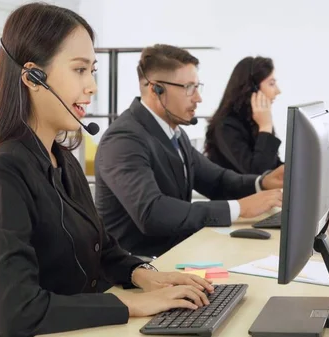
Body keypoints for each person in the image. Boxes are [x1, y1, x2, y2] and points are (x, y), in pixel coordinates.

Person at [0, 4, 216, 337]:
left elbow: (102, 247)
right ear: (33, 78)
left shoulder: (62, 160)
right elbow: (17, 311)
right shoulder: (4, 171)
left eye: (92, 70)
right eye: (80, 70)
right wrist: (133, 306)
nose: (91, 86)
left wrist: (145, 275)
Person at [94, 44, 284, 259]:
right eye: (189, 88)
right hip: (138, 267)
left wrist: (262, 182)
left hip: (174, 255)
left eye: (197, 87)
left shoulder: (174, 133)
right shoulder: (124, 140)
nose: (198, 98)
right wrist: (238, 209)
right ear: (155, 89)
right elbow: (152, 212)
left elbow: (217, 180)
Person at [204, 56, 283, 174]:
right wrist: (266, 127)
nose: (278, 91)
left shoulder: (255, 121)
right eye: (271, 84)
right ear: (253, 90)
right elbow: (258, 175)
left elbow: (273, 166)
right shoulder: (226, 127)